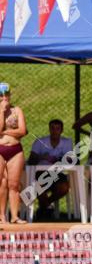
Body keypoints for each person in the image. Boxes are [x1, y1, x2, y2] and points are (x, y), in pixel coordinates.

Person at [27, 119, 73, 219]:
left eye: (57, 128)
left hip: (57, 173)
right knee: (36, 185)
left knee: (65, 187)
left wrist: (58, 160)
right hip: (41, 173)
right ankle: (47, 208)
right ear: (49, 129)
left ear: (62, 130)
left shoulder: (67, 142)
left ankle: (45, 206)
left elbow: (70, 160)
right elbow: (31, 160)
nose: (54, 131)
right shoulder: (40, 142)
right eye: (52, 128)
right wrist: (41, 157)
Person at [0, 83, 27, 223]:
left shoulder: (17, 110)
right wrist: (1, 112)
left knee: (14, 184)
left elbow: (22, 131)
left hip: (15, 151)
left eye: (6, 94)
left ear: (10, 95)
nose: (4, 98)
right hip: (0, 149)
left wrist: (4, 131)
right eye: (1, 95)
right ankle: (1, 216)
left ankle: (15, 216)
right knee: (1, 183)